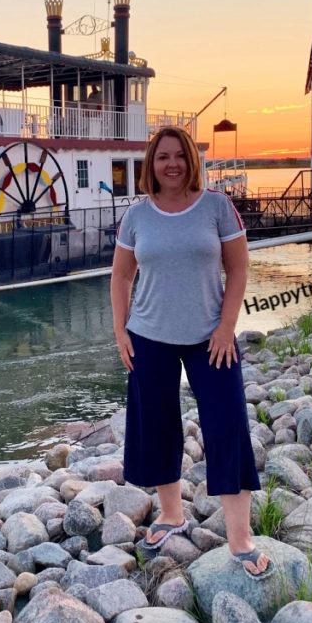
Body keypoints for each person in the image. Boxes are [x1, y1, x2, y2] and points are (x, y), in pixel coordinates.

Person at [110, 125, 272, 579]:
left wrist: (226, 327)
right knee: (157, 425)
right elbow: (121, 277)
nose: (172, 164)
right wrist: (119, 331)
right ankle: (172, 514)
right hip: (148, 336)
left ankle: (240, 538)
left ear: (191, 160)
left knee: (227, 426)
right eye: (162, 157)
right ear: (151, 164)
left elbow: (238, 267)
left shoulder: (218, 207)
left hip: (211, 339)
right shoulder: (137, 216)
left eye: (179, 155)